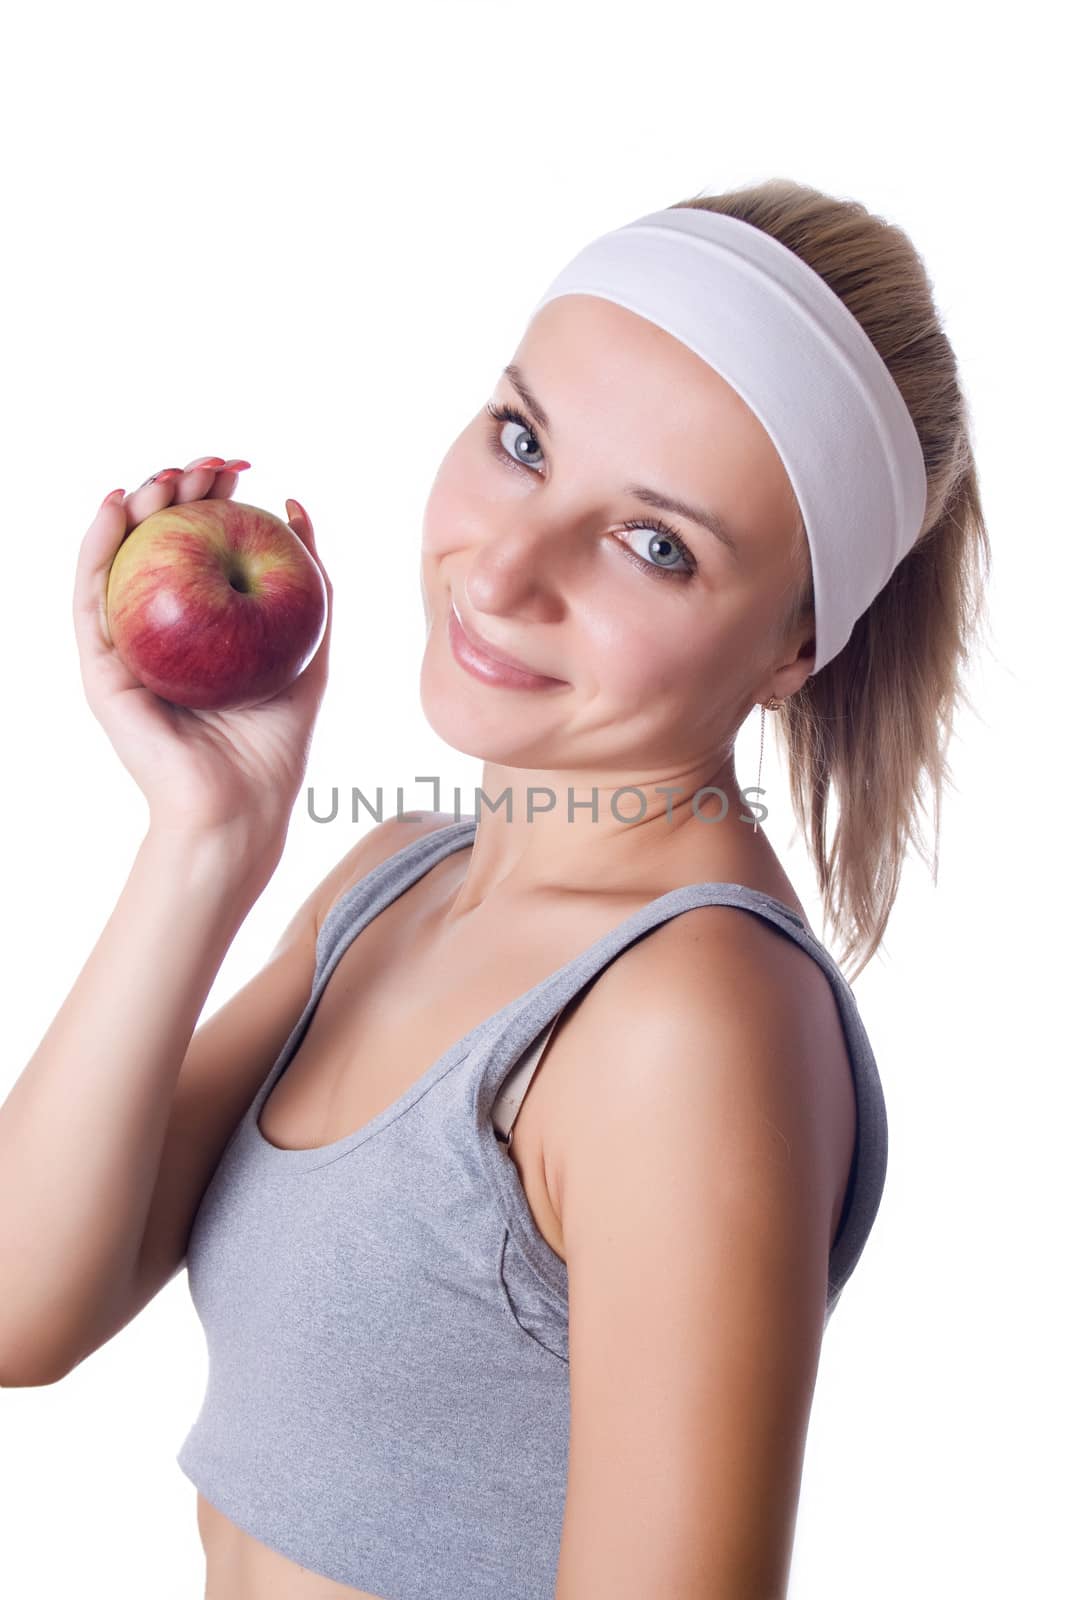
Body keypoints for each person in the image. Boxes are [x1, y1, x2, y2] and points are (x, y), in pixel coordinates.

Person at [0, 177, 991, 1599]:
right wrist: (204, 838)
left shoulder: (687, 1026)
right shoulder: (394, 886)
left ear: (796, 648)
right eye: (522, 441)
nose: (508, 568)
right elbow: (21, 1309)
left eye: (658, 544)